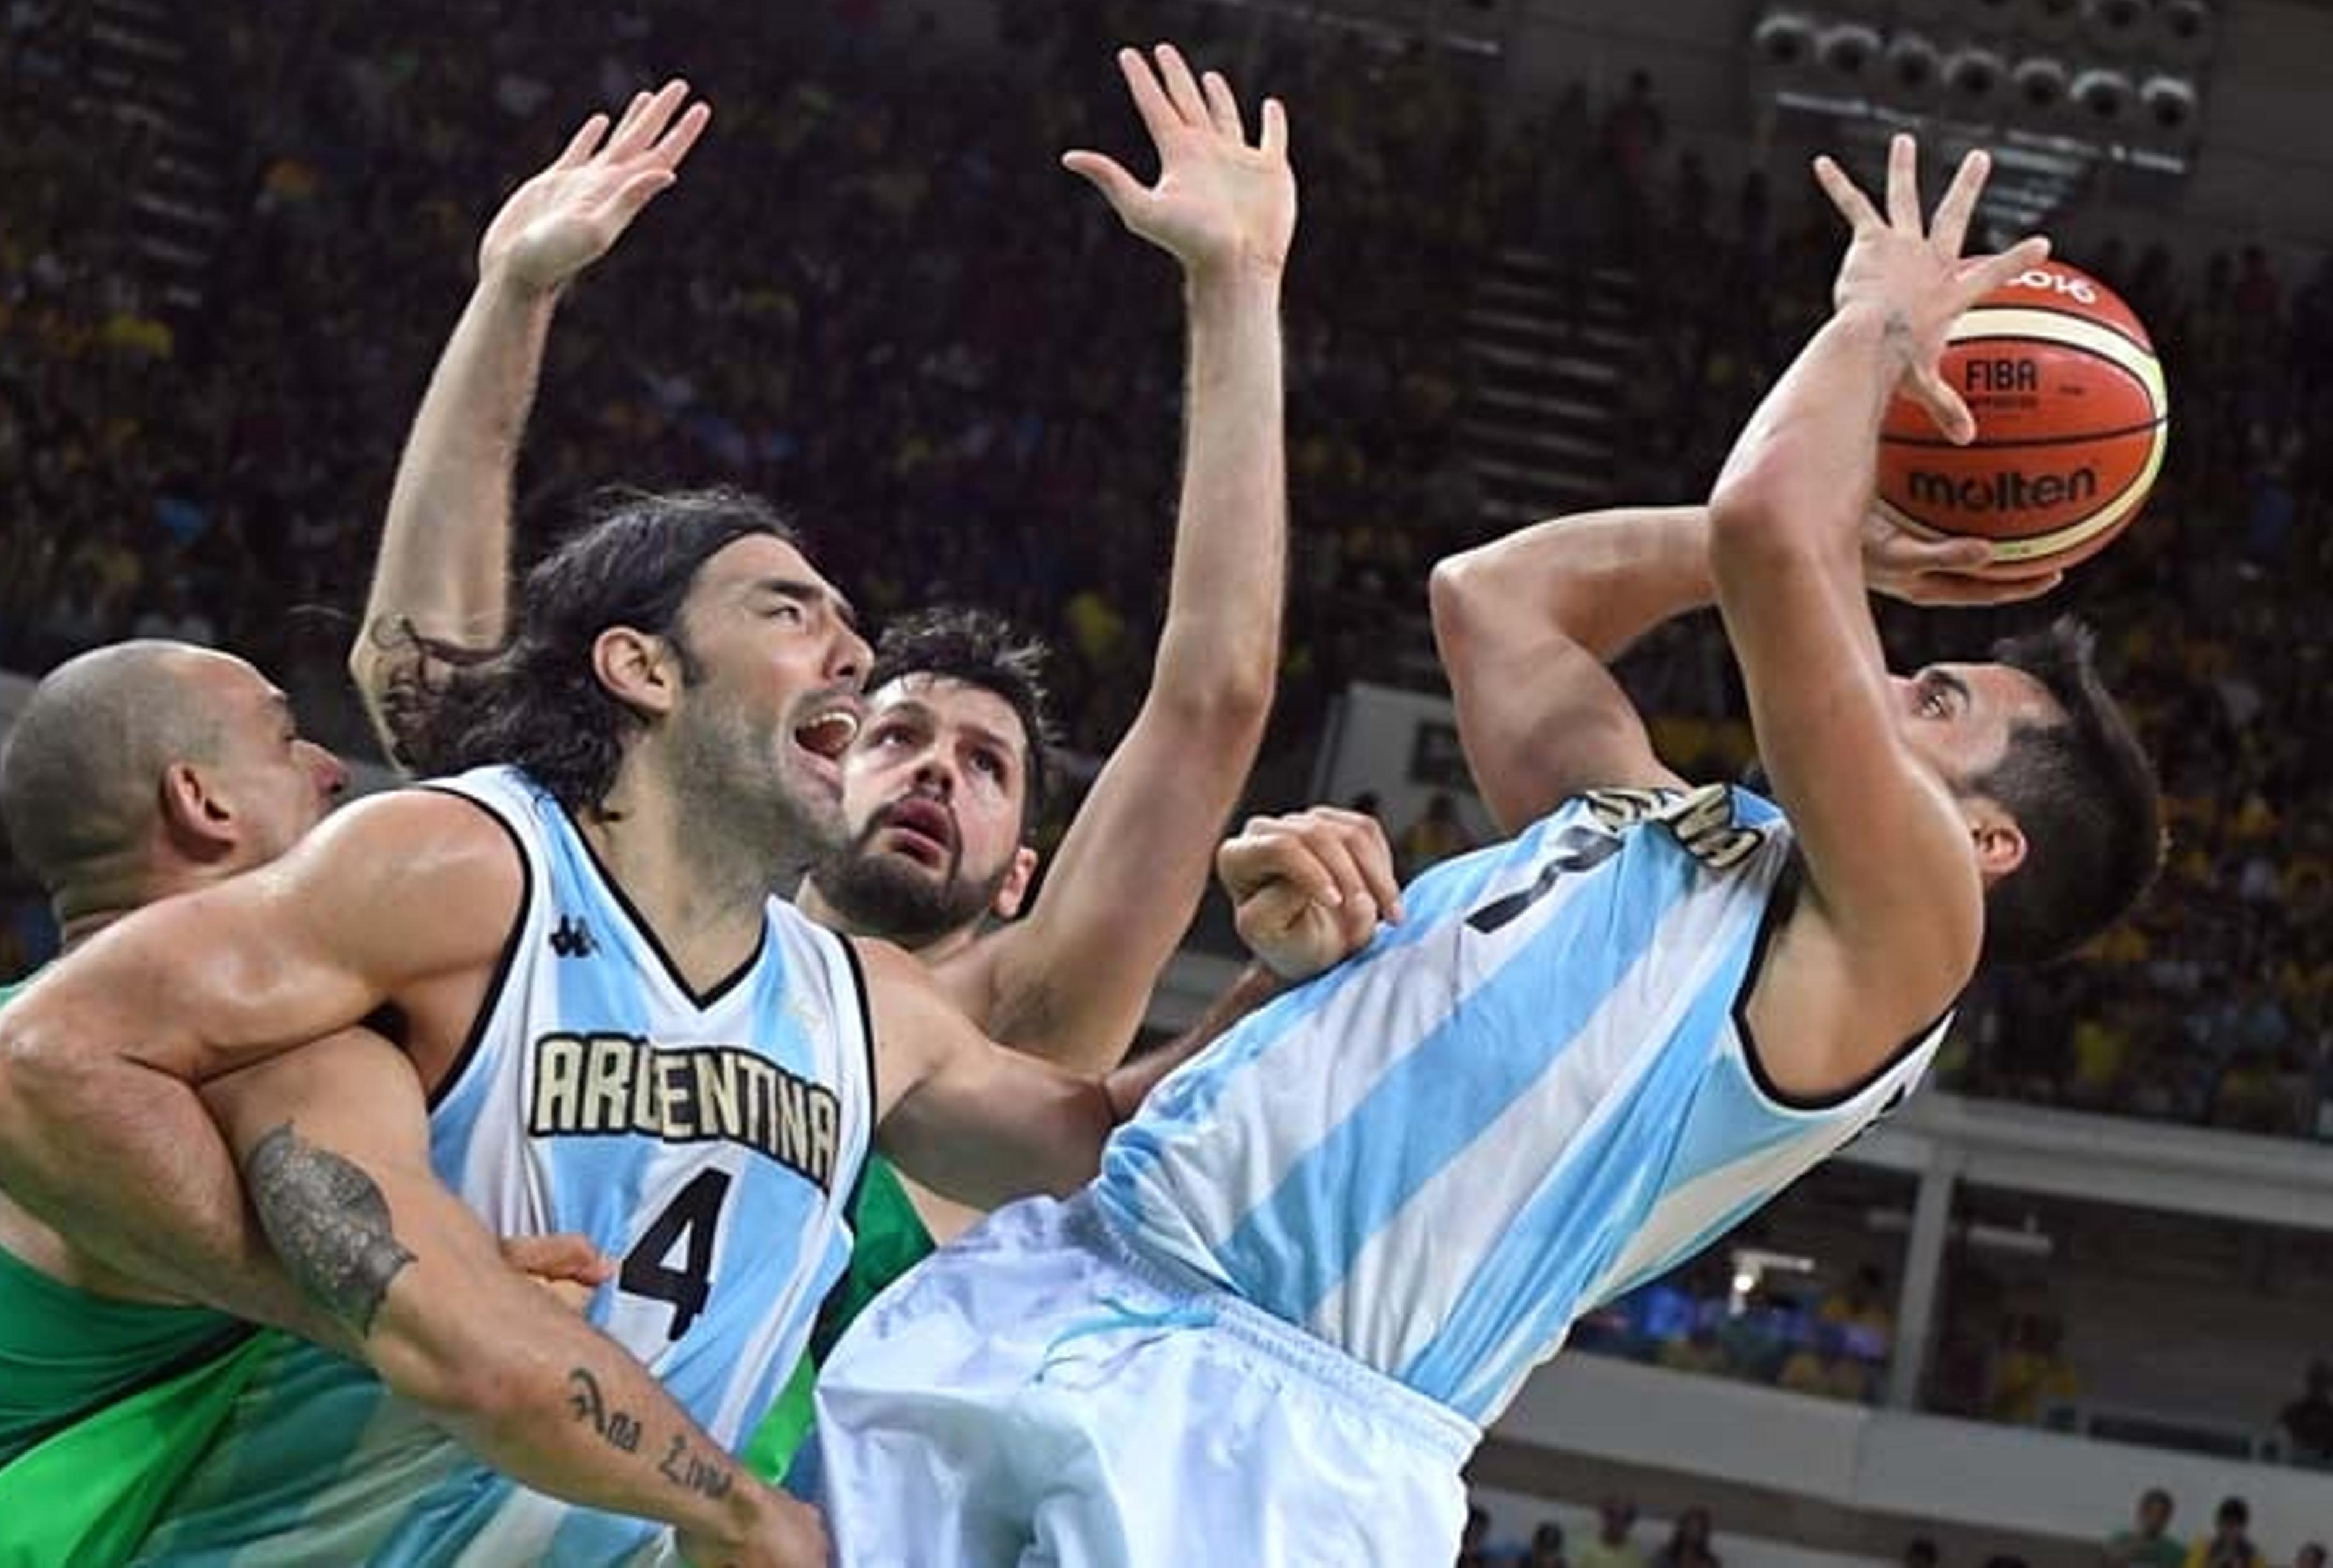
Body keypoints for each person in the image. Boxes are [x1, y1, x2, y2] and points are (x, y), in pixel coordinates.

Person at [812, 135, 2163, 1563]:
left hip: (1280, 1433)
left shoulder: (1902, 941)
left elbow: (1777, 519)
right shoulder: (1657, 825)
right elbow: (1493, 597)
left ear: (1986, 838)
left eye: (1938, 700)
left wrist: (1875, 322)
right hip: (1074, 1269)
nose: (1892, 672)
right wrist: (1847, 556)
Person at [0, 478, 1363, 1568]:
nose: (851, 650)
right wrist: (331, 1291)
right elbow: (37, 1059)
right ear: (640, 665)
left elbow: (1102, 1142)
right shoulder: (464, 863)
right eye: (791, 609)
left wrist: (1268, 983)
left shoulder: (856, 997)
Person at [348, 50, 1304, 1476]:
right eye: (897, 730)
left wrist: (1235, 290)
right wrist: (512, 293)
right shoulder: (596, 881)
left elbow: (1211, 696)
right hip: (433, 1465)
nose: (927, 767)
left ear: (1024, 871)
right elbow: (424, 668)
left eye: (985, 765)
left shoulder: (999, 1012)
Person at [0, 641, 617, 1561]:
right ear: (204, 801)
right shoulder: (195, 1069)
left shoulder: (55, 1021)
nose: (332, 768)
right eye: (286, 738)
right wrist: (449, 1309)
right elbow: (386, 1292)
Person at [2103, 1488, 2185, 1568]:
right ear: (2139, 1511)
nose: (2155, 1519)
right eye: (2149, 1512)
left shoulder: (2176, 1553)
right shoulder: (2119, 1542)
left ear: (2168, 1517)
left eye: (2161, 1515)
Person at [2185, 1498, 2266, 1568]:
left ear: (2243, 1527)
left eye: (2235, 1524)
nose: (2230, 1529)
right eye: (2227, 1523)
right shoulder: (2203, 1549)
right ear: (2219, 1524)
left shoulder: (2254, 1556)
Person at [2277, 1360, 2333, 1460]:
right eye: (2315, 1382)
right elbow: (2279, 1437)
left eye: (2322, 1383)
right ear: (2309, 1383)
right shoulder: (2292, 1412)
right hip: (2293, 1465)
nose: (2318, 1388)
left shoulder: (2292, 1411)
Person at [1576, 1498, 1647, 1568]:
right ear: (1604, 1517)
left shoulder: (1636, 1551)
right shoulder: (1587, 1549)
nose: (1617, 1524)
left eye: (1626, 1518)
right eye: (1611, 1515)